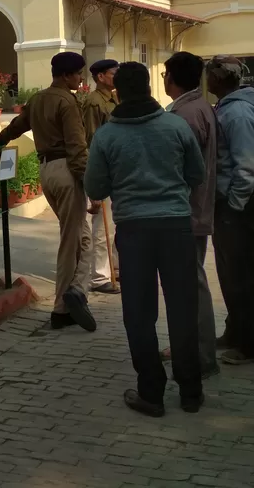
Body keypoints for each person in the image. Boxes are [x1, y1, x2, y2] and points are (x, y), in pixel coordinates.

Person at [84, 62, 206, 416]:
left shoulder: (107, 136)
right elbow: (197, 174)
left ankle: (151, 393)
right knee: (183, 309)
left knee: (139, 314)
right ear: (151, 86)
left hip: (134, 230)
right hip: (176, 227)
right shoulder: (175, 125)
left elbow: (95, 187)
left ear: (118, 92)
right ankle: (191, 392)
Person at [0, 51, 97, 332]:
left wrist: (1, 139)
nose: (80, 78)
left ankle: (76, 293)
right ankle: (65, 304)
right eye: (77, 73)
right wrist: (91, 184)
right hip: (66, 169)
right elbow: (77, 146)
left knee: (82, 238)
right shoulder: (67, 101)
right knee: (71, 241)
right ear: (65, 75)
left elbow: (17, 125)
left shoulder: (39, 98)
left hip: (46, 171)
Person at [160, 51, 220, 379]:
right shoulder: (198, 107)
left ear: (173, 77)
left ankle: (201, 356)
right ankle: (191, 346)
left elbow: (181, 170)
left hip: (186, 212)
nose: (163, 79)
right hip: (195, 208)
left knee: (191, 286)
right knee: (187, 284)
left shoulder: (186, 114)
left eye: (166, 73)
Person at [206, 55, 254, 366]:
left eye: (210, 75)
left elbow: (246, 167)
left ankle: (252, 342)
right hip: (230, 199)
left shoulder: (238, 113)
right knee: (230, 272)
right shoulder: (227, 107)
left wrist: (233, 204)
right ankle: (236, 331)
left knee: (242, 273)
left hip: (239, 201)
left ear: (221, 79)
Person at [81, 59, 120, 295]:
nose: (116, 76)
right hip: (102, 171)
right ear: (100, 77)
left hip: (116, 170)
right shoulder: (94, 102)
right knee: (101, 227)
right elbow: (92, 142)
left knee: (114, 227)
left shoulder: (114, 98)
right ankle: (99, 276)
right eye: (113, 73)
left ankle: (112, 268)